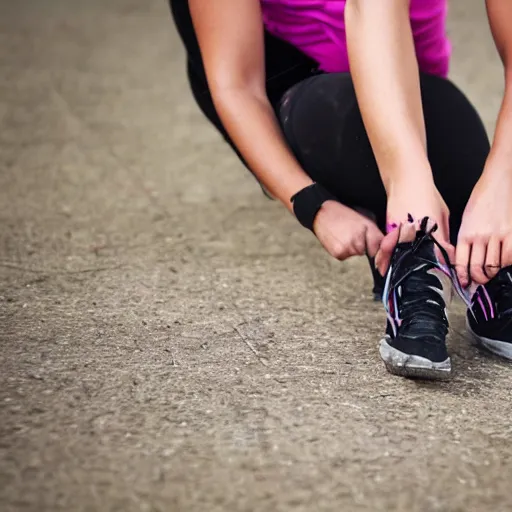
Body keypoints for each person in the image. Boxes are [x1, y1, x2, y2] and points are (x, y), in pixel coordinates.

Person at [170, 0, 512, 380]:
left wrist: (501, 184)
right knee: (337, 114)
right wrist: (312, 203)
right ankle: (415, 247)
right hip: (302, 92)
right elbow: (236, 86)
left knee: (453, 130)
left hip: (419, 95)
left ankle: (481, 260)